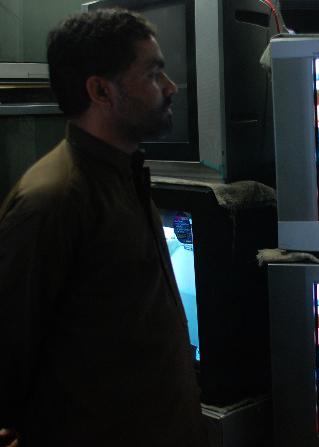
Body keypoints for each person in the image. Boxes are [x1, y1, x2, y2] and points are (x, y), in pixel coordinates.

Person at [0, 9, 207, 446]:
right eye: (153, 74)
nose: (170, 88)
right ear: (100, 91)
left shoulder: (123, 173)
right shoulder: (52, 200)